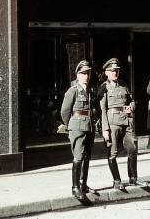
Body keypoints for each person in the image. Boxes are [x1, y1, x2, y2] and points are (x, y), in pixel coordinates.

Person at [100, 58, 148, 190]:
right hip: (113, 123)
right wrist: (105, 129)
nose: (115, 73)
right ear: (106, 72)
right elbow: (103, 110)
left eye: (117, 71)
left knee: (132, 149)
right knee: (112, 152)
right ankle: (116, 181)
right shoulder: (103, 88)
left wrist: (131, 106)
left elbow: (132, 100)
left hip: (127, 121)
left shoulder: (123, 84)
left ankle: (133, 179)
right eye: (112, 71)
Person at [60, 60, 95, 200]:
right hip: (77, 127)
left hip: (89, 127)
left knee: (87, 156)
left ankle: (83, 184)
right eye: (83, 73)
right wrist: (71, 126)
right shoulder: (73, 90)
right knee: (78, 156)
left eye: (88, 73)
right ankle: (75, 188)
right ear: (77, 75)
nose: (86, 76)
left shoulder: (89, 91)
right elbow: (65, 111)